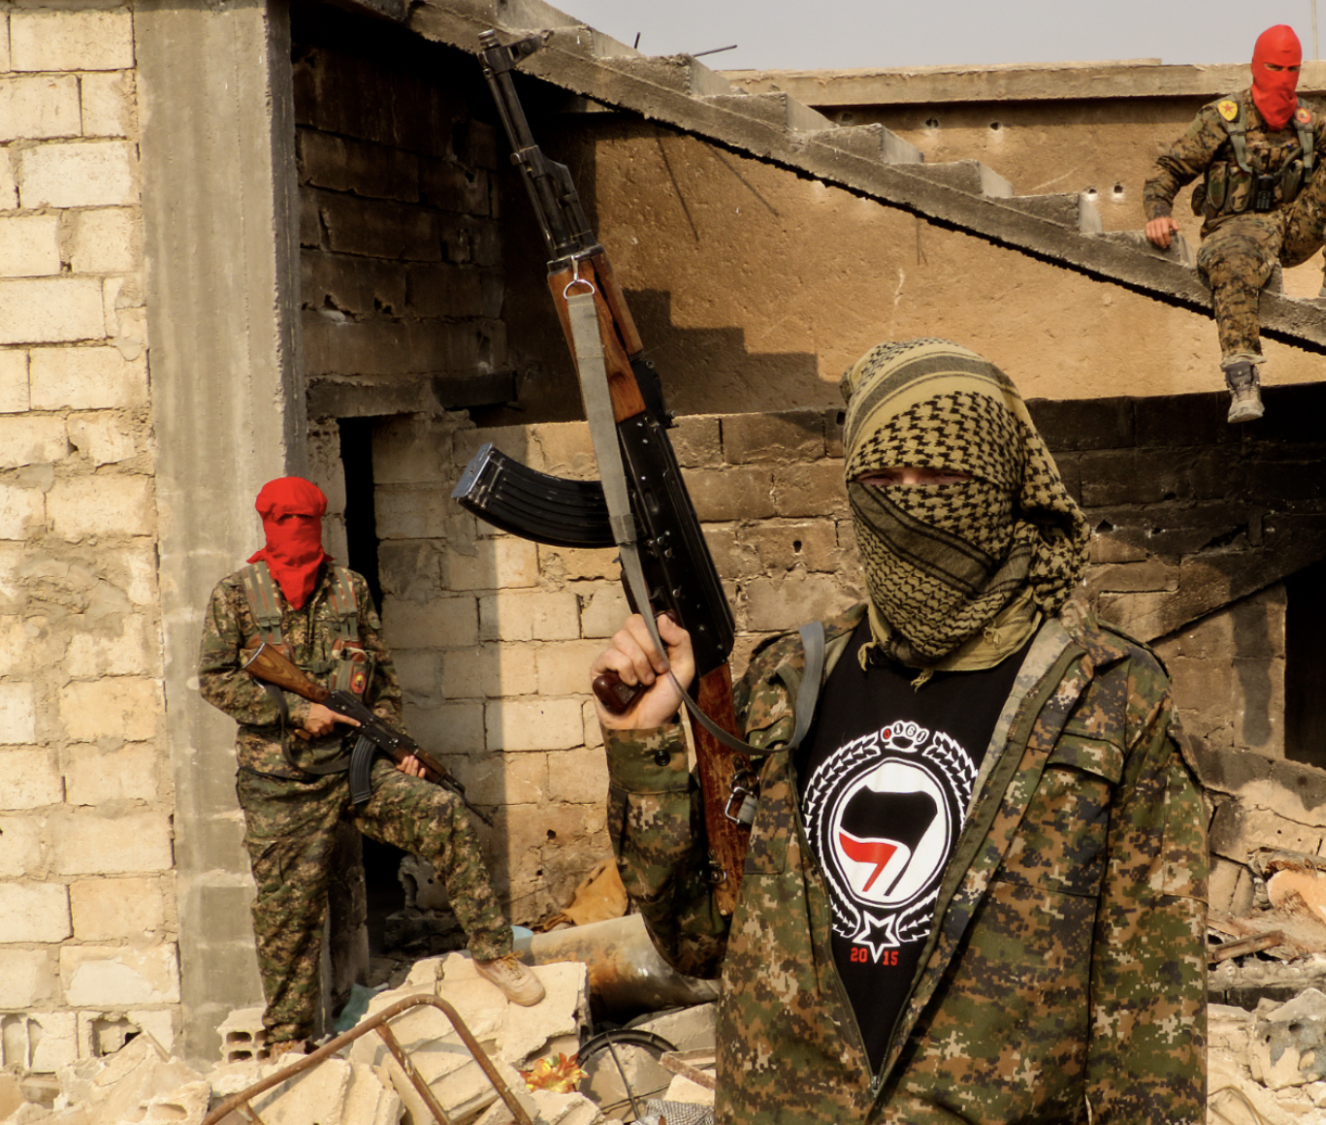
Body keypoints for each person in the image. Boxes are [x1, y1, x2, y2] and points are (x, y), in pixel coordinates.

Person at [591, 339, 1208, 1122]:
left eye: (945, 477)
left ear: (1003, 484)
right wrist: (642, 741)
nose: (911, 499)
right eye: (882, 478)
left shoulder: (1109, 697)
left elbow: (1152, 1020)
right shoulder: (787, 684)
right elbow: (698, 937)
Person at [198, 477, 543, 1054]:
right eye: (284, 524)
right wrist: (289, 711)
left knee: (442, 812)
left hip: (354, 769)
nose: (296, 535)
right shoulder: (236, 595)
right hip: (281, 786)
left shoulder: (350, 591)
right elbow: (214, 678)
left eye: (305, 523)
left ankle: (491, 949)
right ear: (267, 525)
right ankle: (286, 1039)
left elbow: (381, 681)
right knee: (288, 913)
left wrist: (394, 746)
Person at [1143, 23, 1326, 424]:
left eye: (1292, 70)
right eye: (1274, 67)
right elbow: (1168, 170)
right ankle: (1243, 377)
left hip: (1291, 229)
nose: (1284, 79)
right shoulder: (1222, 117)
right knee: (1232, 260)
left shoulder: (1307, 123)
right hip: (1234, 230)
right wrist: (1158, 212)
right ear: (1256, 68)